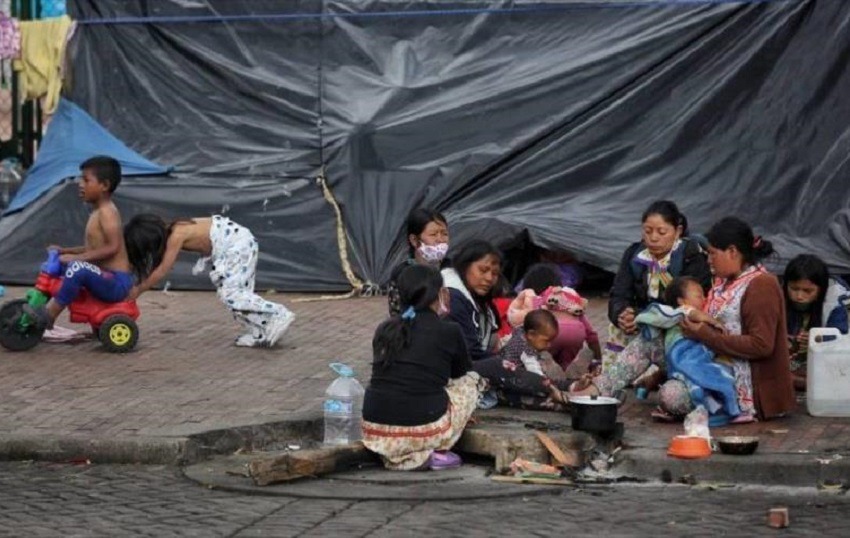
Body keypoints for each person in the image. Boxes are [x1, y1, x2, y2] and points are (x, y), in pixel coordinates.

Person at [657, 217, 795, 421]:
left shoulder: (762, 285)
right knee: (650, 338)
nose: (709, 260)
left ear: (732, 252)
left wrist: (705, 335)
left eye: (713, 253)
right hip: (709, 362)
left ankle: (717, 402)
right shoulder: (723, 283)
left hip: (741, 379)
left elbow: (761, 345)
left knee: (671, 396)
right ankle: (599, 390)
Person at [361, 265, 484, 471]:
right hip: (419, 429)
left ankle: (412, 454)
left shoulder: (385, 328)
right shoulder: (450, 330)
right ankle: (428, 449)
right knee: (471, 382)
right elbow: (459, 374)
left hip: (375, 431)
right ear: (441, 294)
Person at [123, 214, 294, 348]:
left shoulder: (177, 234)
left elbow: (162, 270)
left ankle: (278, 313)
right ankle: (259, 333)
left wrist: (138, 290)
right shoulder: (174, 229)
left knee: (232, 294)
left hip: (237, 245)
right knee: (237, 297)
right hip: (235, 245)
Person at [605, 277, 742, 424]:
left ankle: (703, 402)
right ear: (681, 301)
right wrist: (712, 321)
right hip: (681, 360)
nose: (704, 298)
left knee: (675, 394)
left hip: (698, 365)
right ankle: (602, 388)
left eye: (704, 295)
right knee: (648, 345)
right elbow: (693, 313)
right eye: (699, 295)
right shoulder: (684, 312)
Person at [26, 156, 133, 329]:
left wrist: (79, 259)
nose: (80, 183)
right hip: (102, 275)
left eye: (86, 180)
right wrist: (64, 251)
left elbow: (113, 248)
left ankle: (49, 315)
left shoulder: (108, 212)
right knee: (56, 266)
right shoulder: (97, 212)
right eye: (80, 178)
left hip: (115, 282)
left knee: (77, 268)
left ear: (104, 185)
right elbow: (94, 249)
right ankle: (37, 307)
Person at [604, 200, 711, 373]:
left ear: (677, 232)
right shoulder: (634, 255)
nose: (653, 238)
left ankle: (655, 373)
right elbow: (619, 293)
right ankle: (614, 376)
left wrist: (644, 316)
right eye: (648, 231)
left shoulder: (691, 256)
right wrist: (622, 314)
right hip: (641, 321)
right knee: (616, 327)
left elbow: (688, 305)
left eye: (662, 232)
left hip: (676, 323)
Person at [474, 309, 594, 411]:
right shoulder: (525, 350)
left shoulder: (521, 336)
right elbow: (537, 378)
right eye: (546, 341)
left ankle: (571, 387)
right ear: (531, 334)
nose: (549, 345)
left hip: (513, 381)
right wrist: (551, 387)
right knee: (539, 396)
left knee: (547, 384)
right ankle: (568, 399)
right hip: (504, 387)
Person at [783, 254, 850, 390]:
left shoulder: (833, 304)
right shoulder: (777, 297)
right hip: (789, 362)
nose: (799, 296)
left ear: (821, 289)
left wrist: (818, 339)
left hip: (822, 363)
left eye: (808, 291)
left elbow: (841, 337)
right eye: (794, 289)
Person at [442, 240, 502, 361]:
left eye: (495, 273)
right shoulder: (452, 298)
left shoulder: (482, 302)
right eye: (483, 270)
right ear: (465, 266)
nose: (489, 278)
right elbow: (470, 351)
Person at [386, 208, 449, 316]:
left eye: (444, 234)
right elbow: (397, 315)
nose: (440, 239)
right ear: (414, 240)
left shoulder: (451, 269)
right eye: (433, 234)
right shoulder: (402, 274)